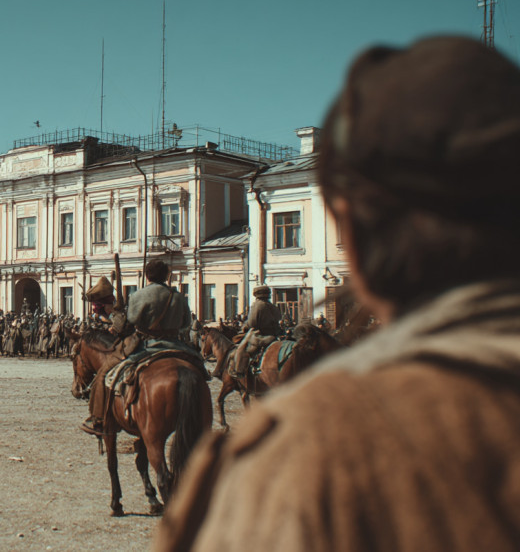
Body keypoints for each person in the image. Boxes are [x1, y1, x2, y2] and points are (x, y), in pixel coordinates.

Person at [153, 36, 520, 551]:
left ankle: (227, 377)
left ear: (356, 228)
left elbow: (257, 327)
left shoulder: (303, 449)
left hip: (251, 356)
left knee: (239, 353)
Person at [80, 259, 193, 436]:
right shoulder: (178, 297)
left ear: (147, 276)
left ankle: (99, 419)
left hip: (147, 346)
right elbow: (186, 323)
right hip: (177, 345)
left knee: (103, 374)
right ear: (166, 276)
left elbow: (131, 321)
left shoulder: (139, 295)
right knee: (200, 369)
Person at [229, 285, 283, 378]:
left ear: (256, 295)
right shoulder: (273, 306)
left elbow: (252, 323)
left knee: (241, 348)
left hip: (260, 335)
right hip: (274, 334)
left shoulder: (257, 305)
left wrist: (245, 326)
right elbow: (279, 318)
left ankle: (239, 371)